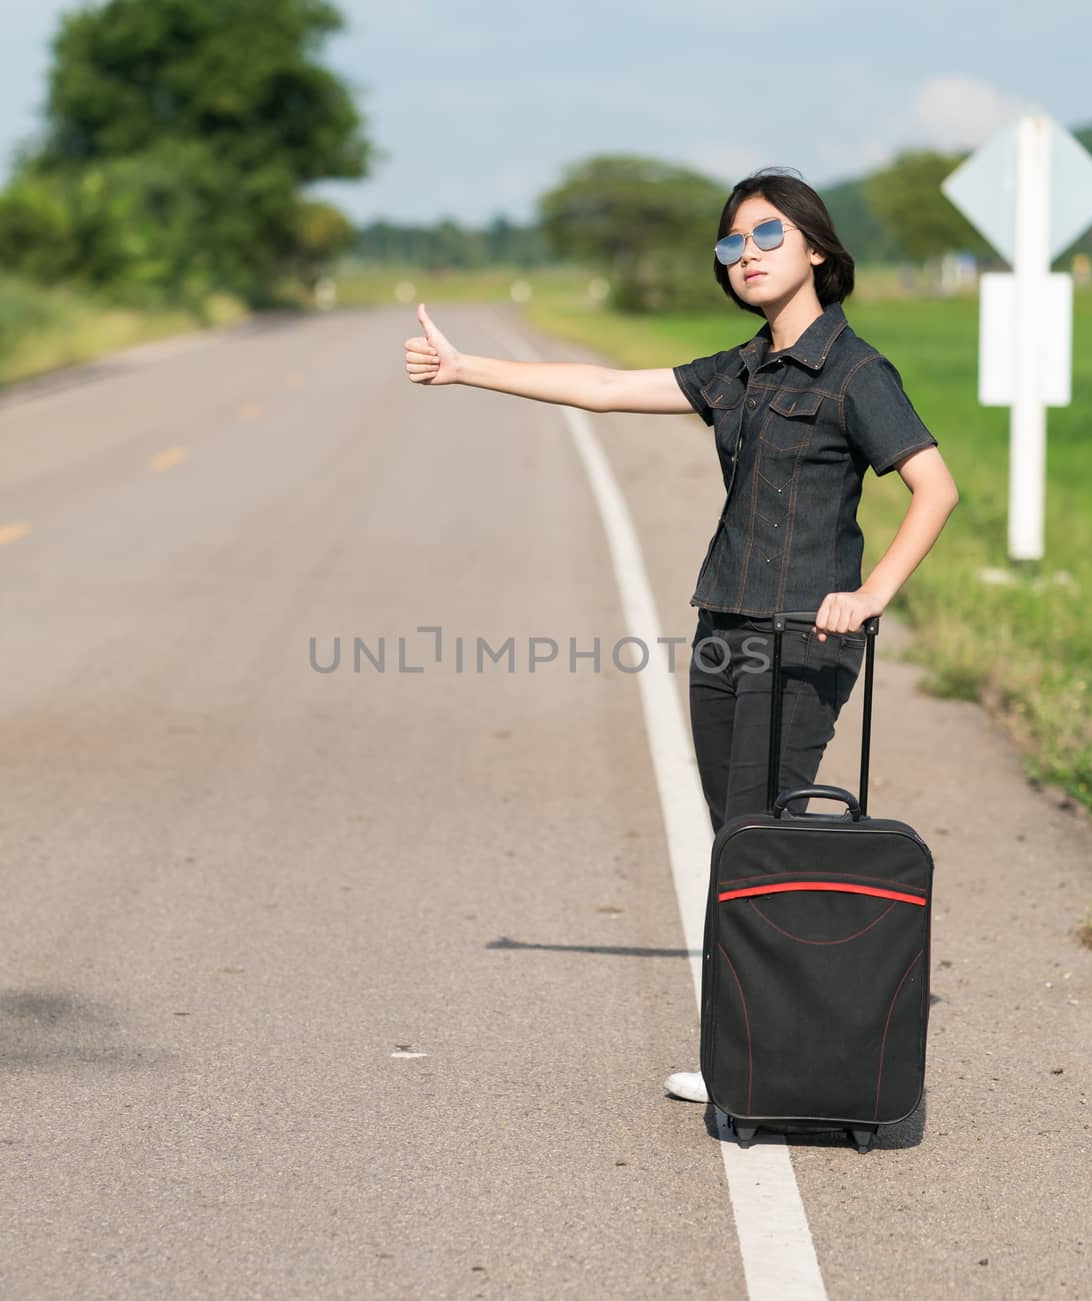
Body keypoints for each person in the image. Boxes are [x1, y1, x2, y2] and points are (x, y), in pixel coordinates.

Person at [401, 166, 959, 1105]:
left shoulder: (858, 374)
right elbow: (604, 386)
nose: (746, 256)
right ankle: (771, 1040)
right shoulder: (742, 370)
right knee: (736, 835)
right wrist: (467, 370)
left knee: (754, 836)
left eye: (768, 236)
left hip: (804, 640)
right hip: (724, 629)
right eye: (731, 242)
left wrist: (868, 594)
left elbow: (934, 487)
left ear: (818, 250)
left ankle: (752, 1053)